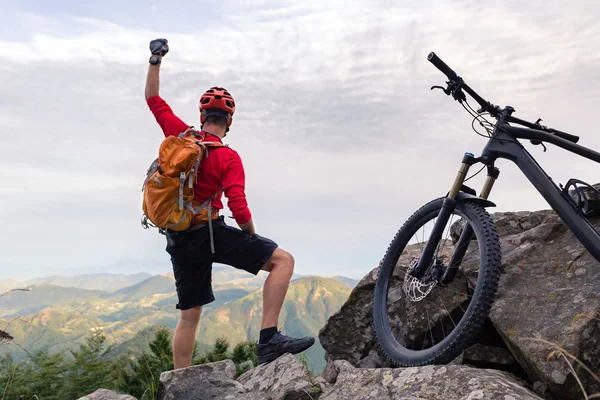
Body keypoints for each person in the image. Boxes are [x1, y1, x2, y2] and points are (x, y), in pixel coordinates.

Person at [144, 38, 315, 369]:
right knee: (283, 262)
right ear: (229, 122)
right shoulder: (227, 157)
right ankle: (269, 339)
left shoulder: (181, 136)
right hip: (209, 232)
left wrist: (155, 60)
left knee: (190, 315)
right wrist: (250, 235)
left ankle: (181, 380)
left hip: (178, 237)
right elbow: (238, 206)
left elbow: (153, 99)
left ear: (202, 115)